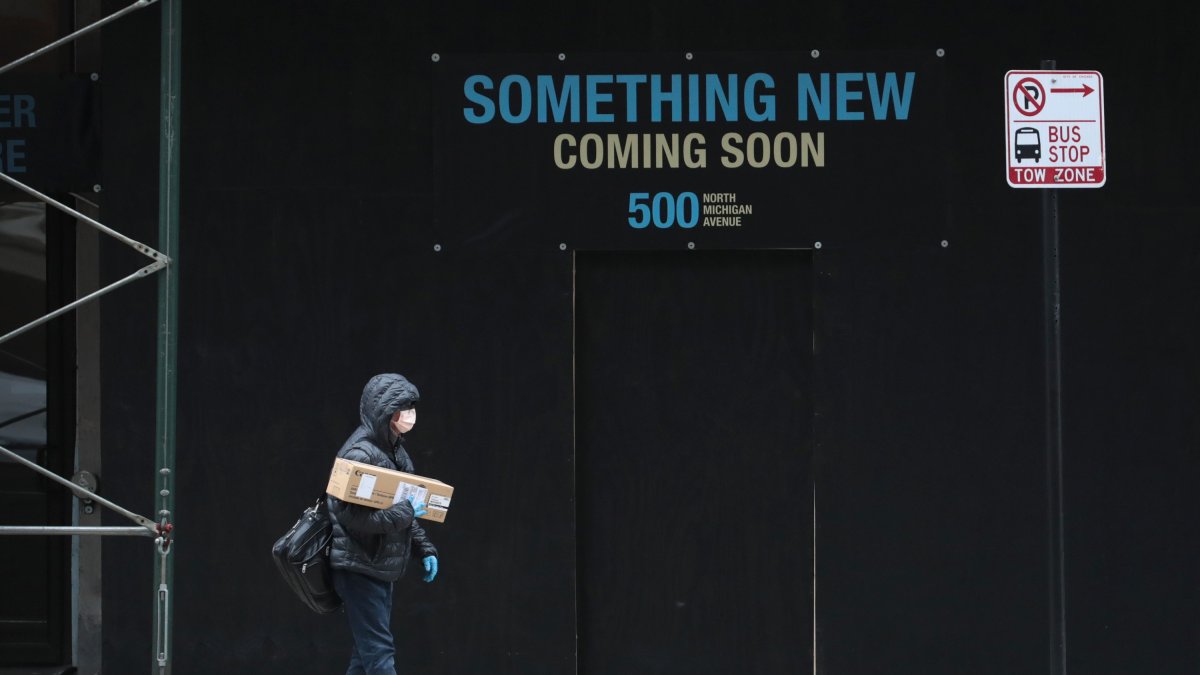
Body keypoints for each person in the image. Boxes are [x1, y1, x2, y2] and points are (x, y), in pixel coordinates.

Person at [327, 373, 439, 675]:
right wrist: (405, 513)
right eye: (404, 408)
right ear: (386, 411)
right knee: (378, 652)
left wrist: (423, 548)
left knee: (365, 656)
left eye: (412, 407)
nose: (410, 416)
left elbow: (406, 507)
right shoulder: (359, 454)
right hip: (359, 566)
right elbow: (352, 518)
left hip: (379, 566)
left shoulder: (394, 450)